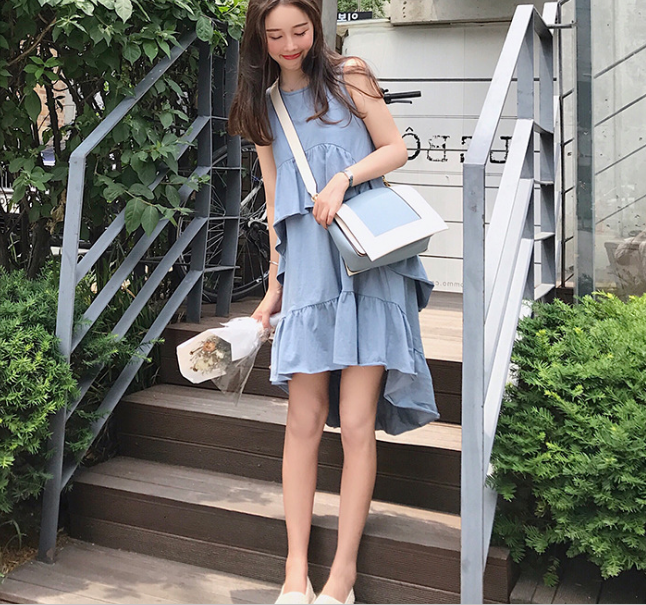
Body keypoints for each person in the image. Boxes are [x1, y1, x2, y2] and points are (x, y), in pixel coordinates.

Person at [228, 1, 439, 603]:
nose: (289, 45)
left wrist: (345, 177)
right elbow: (275, 202)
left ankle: (342, 575)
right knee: (301, 422)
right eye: (275, 36)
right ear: (259, 39)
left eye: (299, 30)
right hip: (310, 273)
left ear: (316, 26)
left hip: (368, 265)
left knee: (355, 422)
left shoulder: (351, 74)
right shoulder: (265, 105)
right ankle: (294, 571)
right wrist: (275, 286)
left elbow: (395, 148)